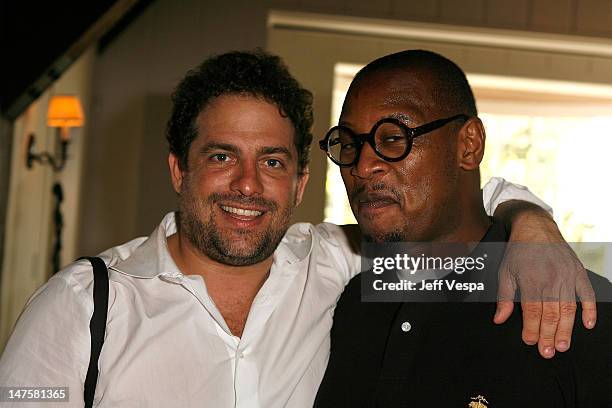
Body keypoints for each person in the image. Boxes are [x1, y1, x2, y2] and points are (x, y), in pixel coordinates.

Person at [0, 50, 595, 407]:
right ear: (179, 168)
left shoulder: (341, 266)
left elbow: (443, 218)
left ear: (303, 182)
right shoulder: (80, 307)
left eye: (274, 161)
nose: (248, 185)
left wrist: (530, 220)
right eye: (221, 156)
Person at [314, 49, 612, 407]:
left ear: (468, 145)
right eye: (348, 144)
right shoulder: (341, 304)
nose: (362, 166)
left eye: (393, 138)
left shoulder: (574, 309)